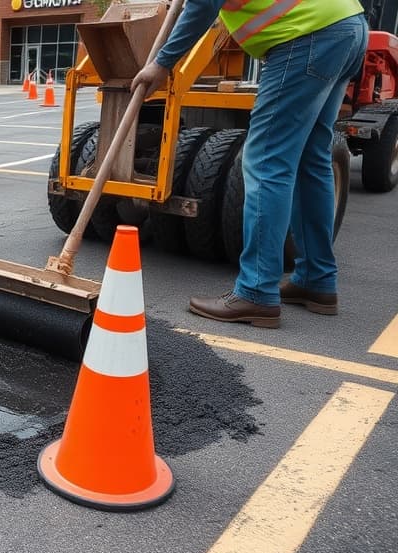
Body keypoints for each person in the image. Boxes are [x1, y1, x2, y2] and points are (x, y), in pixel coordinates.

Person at [132, 0, 368, 328]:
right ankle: (316, 279)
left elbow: (203, 4)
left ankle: (257, 291)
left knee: (267, 161)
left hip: (305, 35)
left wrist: (163, 62)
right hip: (345, 24)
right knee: (310, 160)